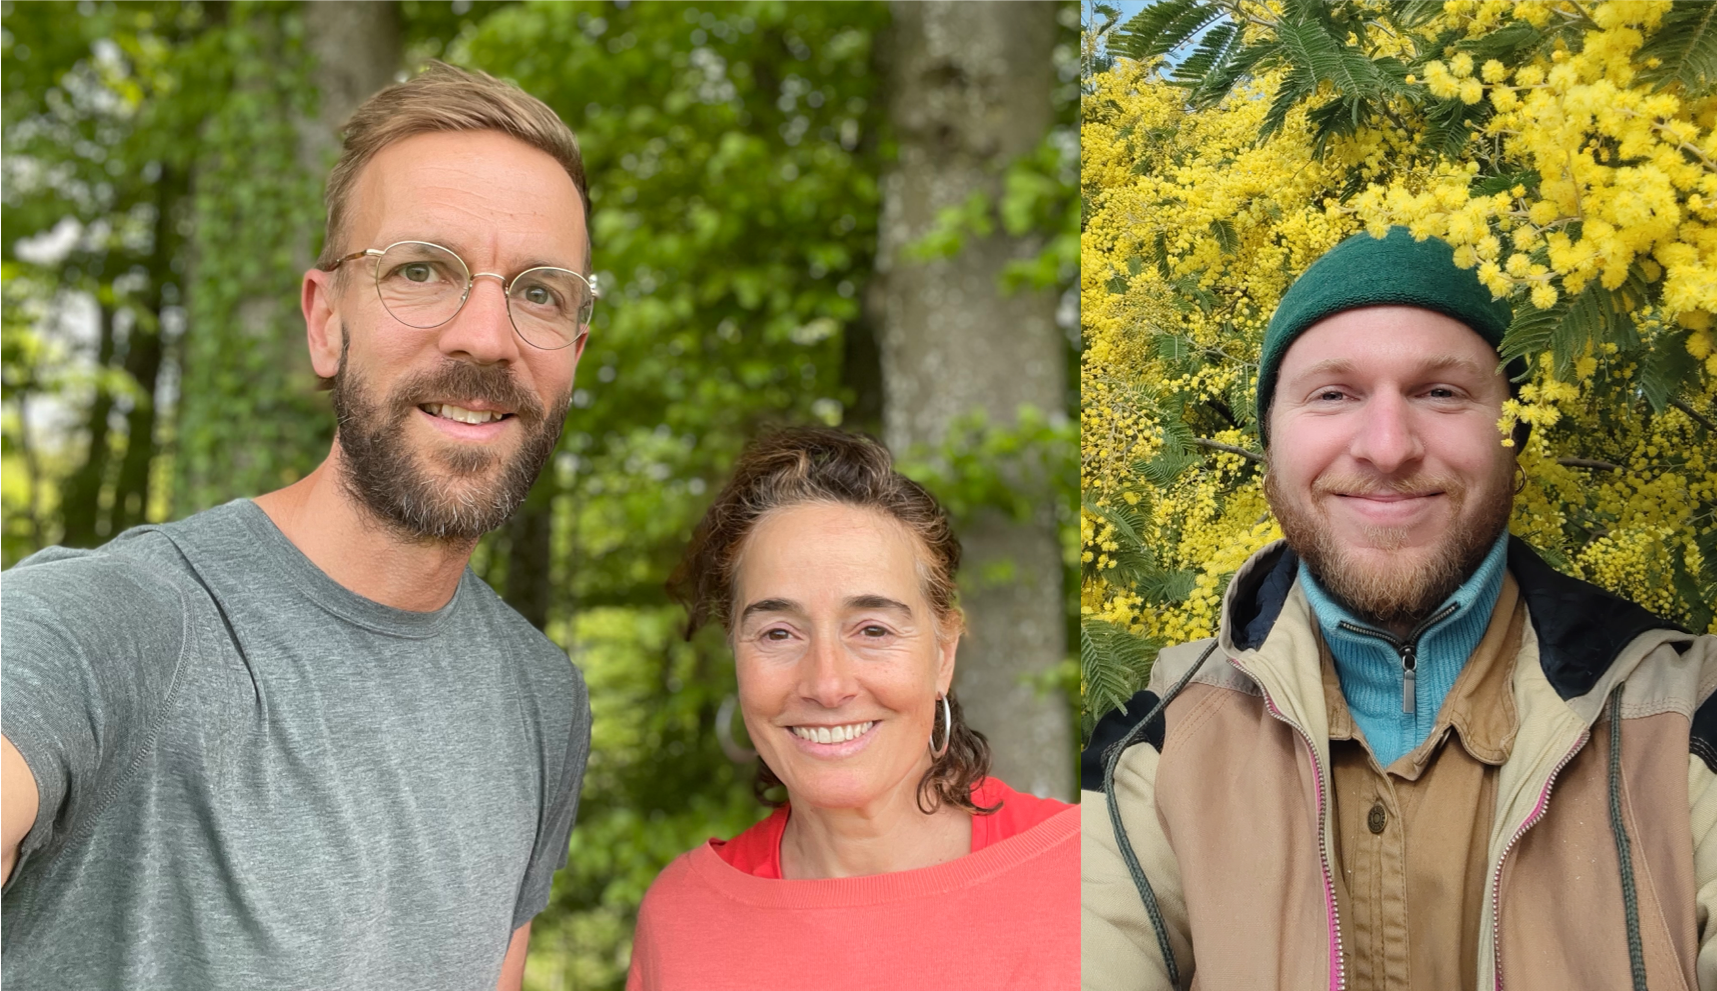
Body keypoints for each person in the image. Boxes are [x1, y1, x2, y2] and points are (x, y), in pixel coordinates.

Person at [1, 63, 595, 990]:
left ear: (574, 352)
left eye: (539, 292)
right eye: (420, 271)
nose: (488, 334)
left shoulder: (540, 698)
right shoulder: (103, 623)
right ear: (326, 320)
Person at [1081, 228, 1717, 990]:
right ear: (1268, 447)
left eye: (1440, 391)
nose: (1386, 448)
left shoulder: (1686, 716)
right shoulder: (1151, 743)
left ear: (1515, 433)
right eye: (1332, 394)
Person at [627, 427, 1078, 990]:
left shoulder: (1088, 873)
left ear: (944, 654)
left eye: (872, 629)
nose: (827, 683)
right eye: (778, 633)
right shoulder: (683, 918)